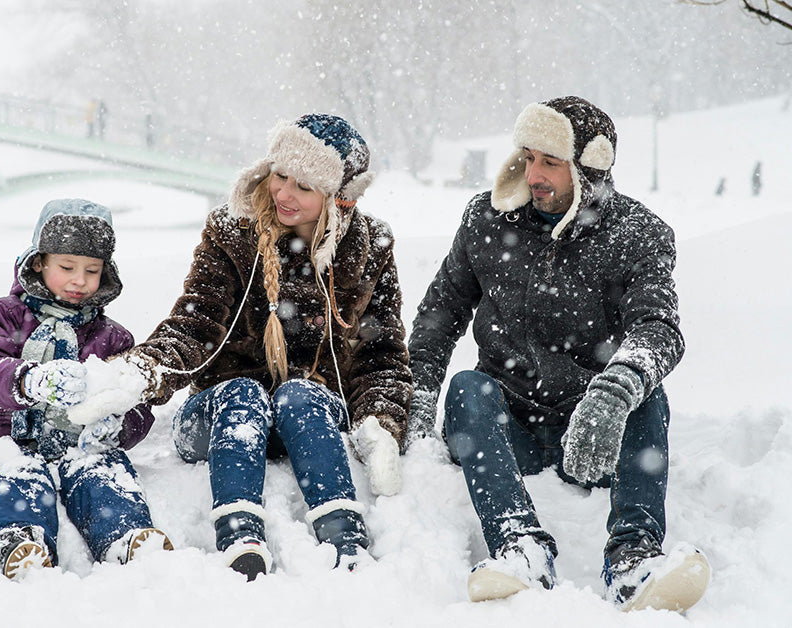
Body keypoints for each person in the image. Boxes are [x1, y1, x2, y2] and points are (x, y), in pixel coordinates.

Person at [406, 96, 710, 612]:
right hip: (508, 428)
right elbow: (439, 316)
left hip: (593, 435)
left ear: (588, 167)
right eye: (527, 157)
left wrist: (613, 393)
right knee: (465, 388)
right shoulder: (486, 219)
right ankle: (519, 546)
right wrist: (414, 400)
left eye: (550, 161)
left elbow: (659, 328)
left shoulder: (637, 234)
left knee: (646, 392)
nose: (534, 174)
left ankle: (634, 559)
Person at [118, 114, 413, 579]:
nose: (283, 194)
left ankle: (344, 535)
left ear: (339, 199)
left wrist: (382, 422)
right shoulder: (231, 231)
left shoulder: (370, 245)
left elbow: (382, 353)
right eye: (280, 175)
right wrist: (139, 372)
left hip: (308, 417)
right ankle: (239, 534)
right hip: (221, 416)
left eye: (304, 186)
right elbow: (195, 323)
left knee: (301, 393)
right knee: (243, 393)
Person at [0, 198, 171, 579]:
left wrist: (118, 424)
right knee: (17, 475)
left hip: (80, 443)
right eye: (67, 267)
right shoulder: (6, 315)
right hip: (9, 435)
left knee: (103, 474)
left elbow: (136, 402)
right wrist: (28, 380)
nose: (79, 281)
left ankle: (125, 535)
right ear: (39, 262)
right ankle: (20, 539)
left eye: (92, 270)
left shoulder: (112, 337)